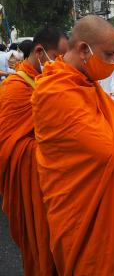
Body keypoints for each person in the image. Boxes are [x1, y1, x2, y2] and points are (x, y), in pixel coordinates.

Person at [31, 16, 114, 275]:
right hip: (81, 215)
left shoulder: (86, 83)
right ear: (84, 49)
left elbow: (105, 121)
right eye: (109, 55)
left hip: (107, 208)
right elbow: (107, 147)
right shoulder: (55, 90)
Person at [0, 27, 68, 276]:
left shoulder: (47, 80)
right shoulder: (15, 88)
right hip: (31, 176)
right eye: (59, 57)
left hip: (55, 181)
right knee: (41, 241)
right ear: (40, 52)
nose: (62, 64)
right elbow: (9, 146)